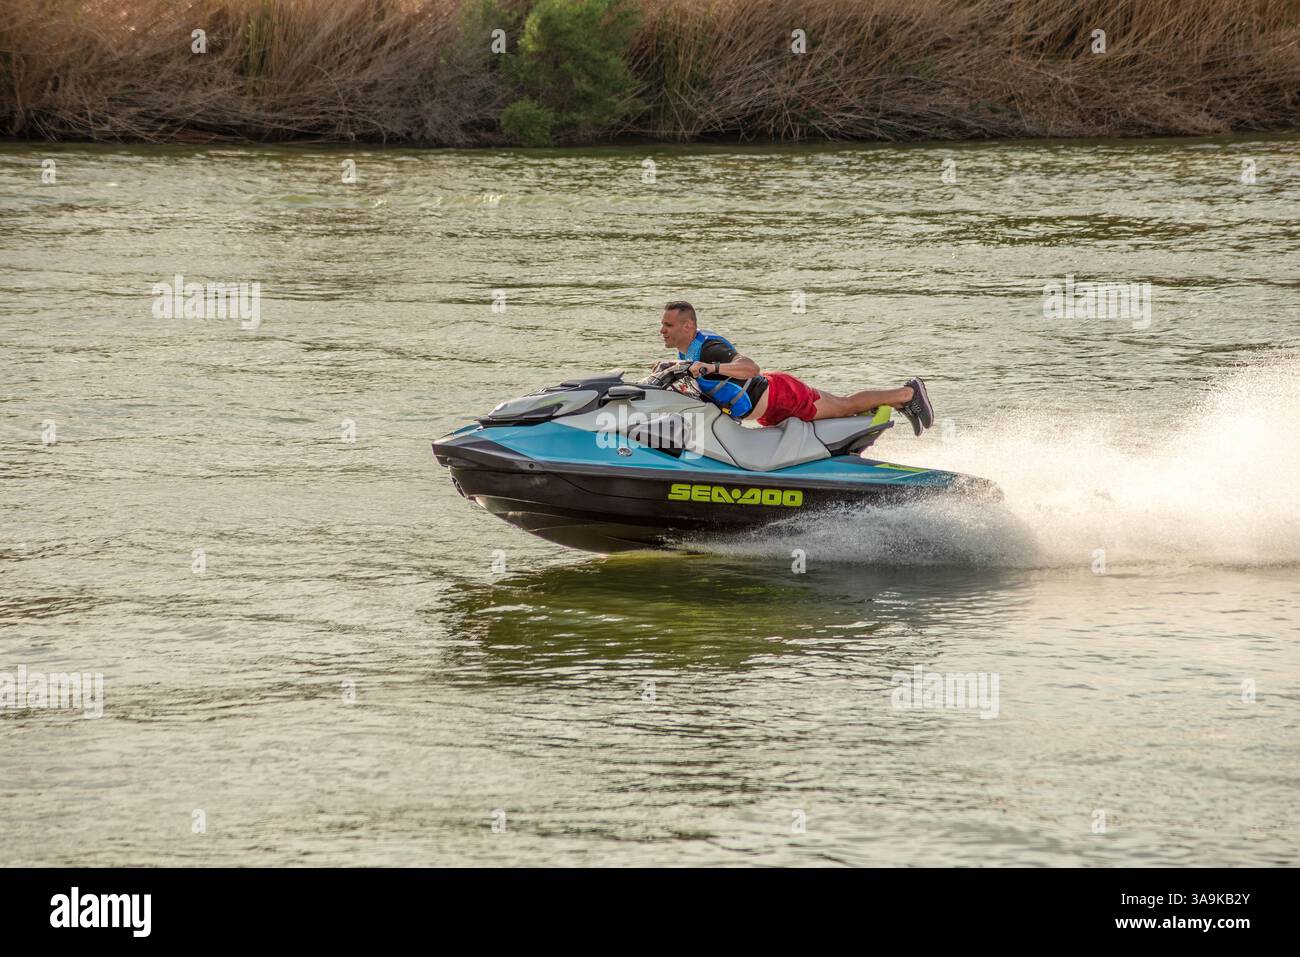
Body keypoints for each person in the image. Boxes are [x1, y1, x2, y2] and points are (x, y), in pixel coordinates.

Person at [658, 300, 934, 434]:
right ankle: (897, 403)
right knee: (840, 408)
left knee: (844, 406)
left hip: (781, 397)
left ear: (688, 326)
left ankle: (906, 394)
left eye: (668, 325)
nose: (662, 331)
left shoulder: (708, 347)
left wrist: (707, 367)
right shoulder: (686, 351)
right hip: (770, 406)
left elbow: (750, 368)